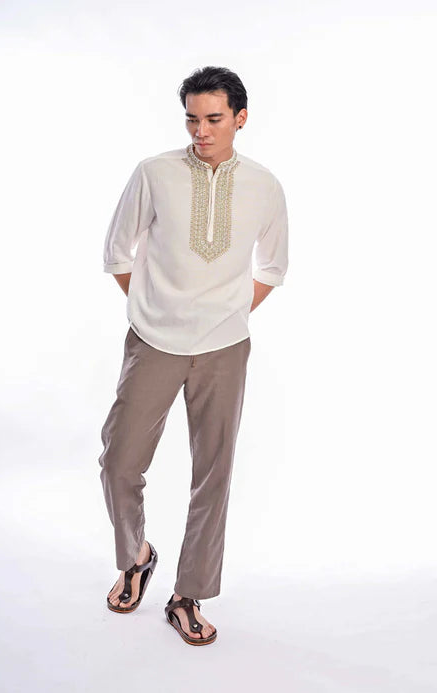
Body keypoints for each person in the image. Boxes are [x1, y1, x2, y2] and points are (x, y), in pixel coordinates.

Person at [98, 65, 289, 646]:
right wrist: (155, 308)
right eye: (191, 119)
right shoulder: (154, 173)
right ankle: (137, 555)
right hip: (154, 343)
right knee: (119, 461)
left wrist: (227, 314)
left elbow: (273, 267)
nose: (200, 131)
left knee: (213, 473)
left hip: (225, 349)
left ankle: (188, 595)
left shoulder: (264, 185)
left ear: (240, 118)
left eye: (213, 118)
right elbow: (117, 252)